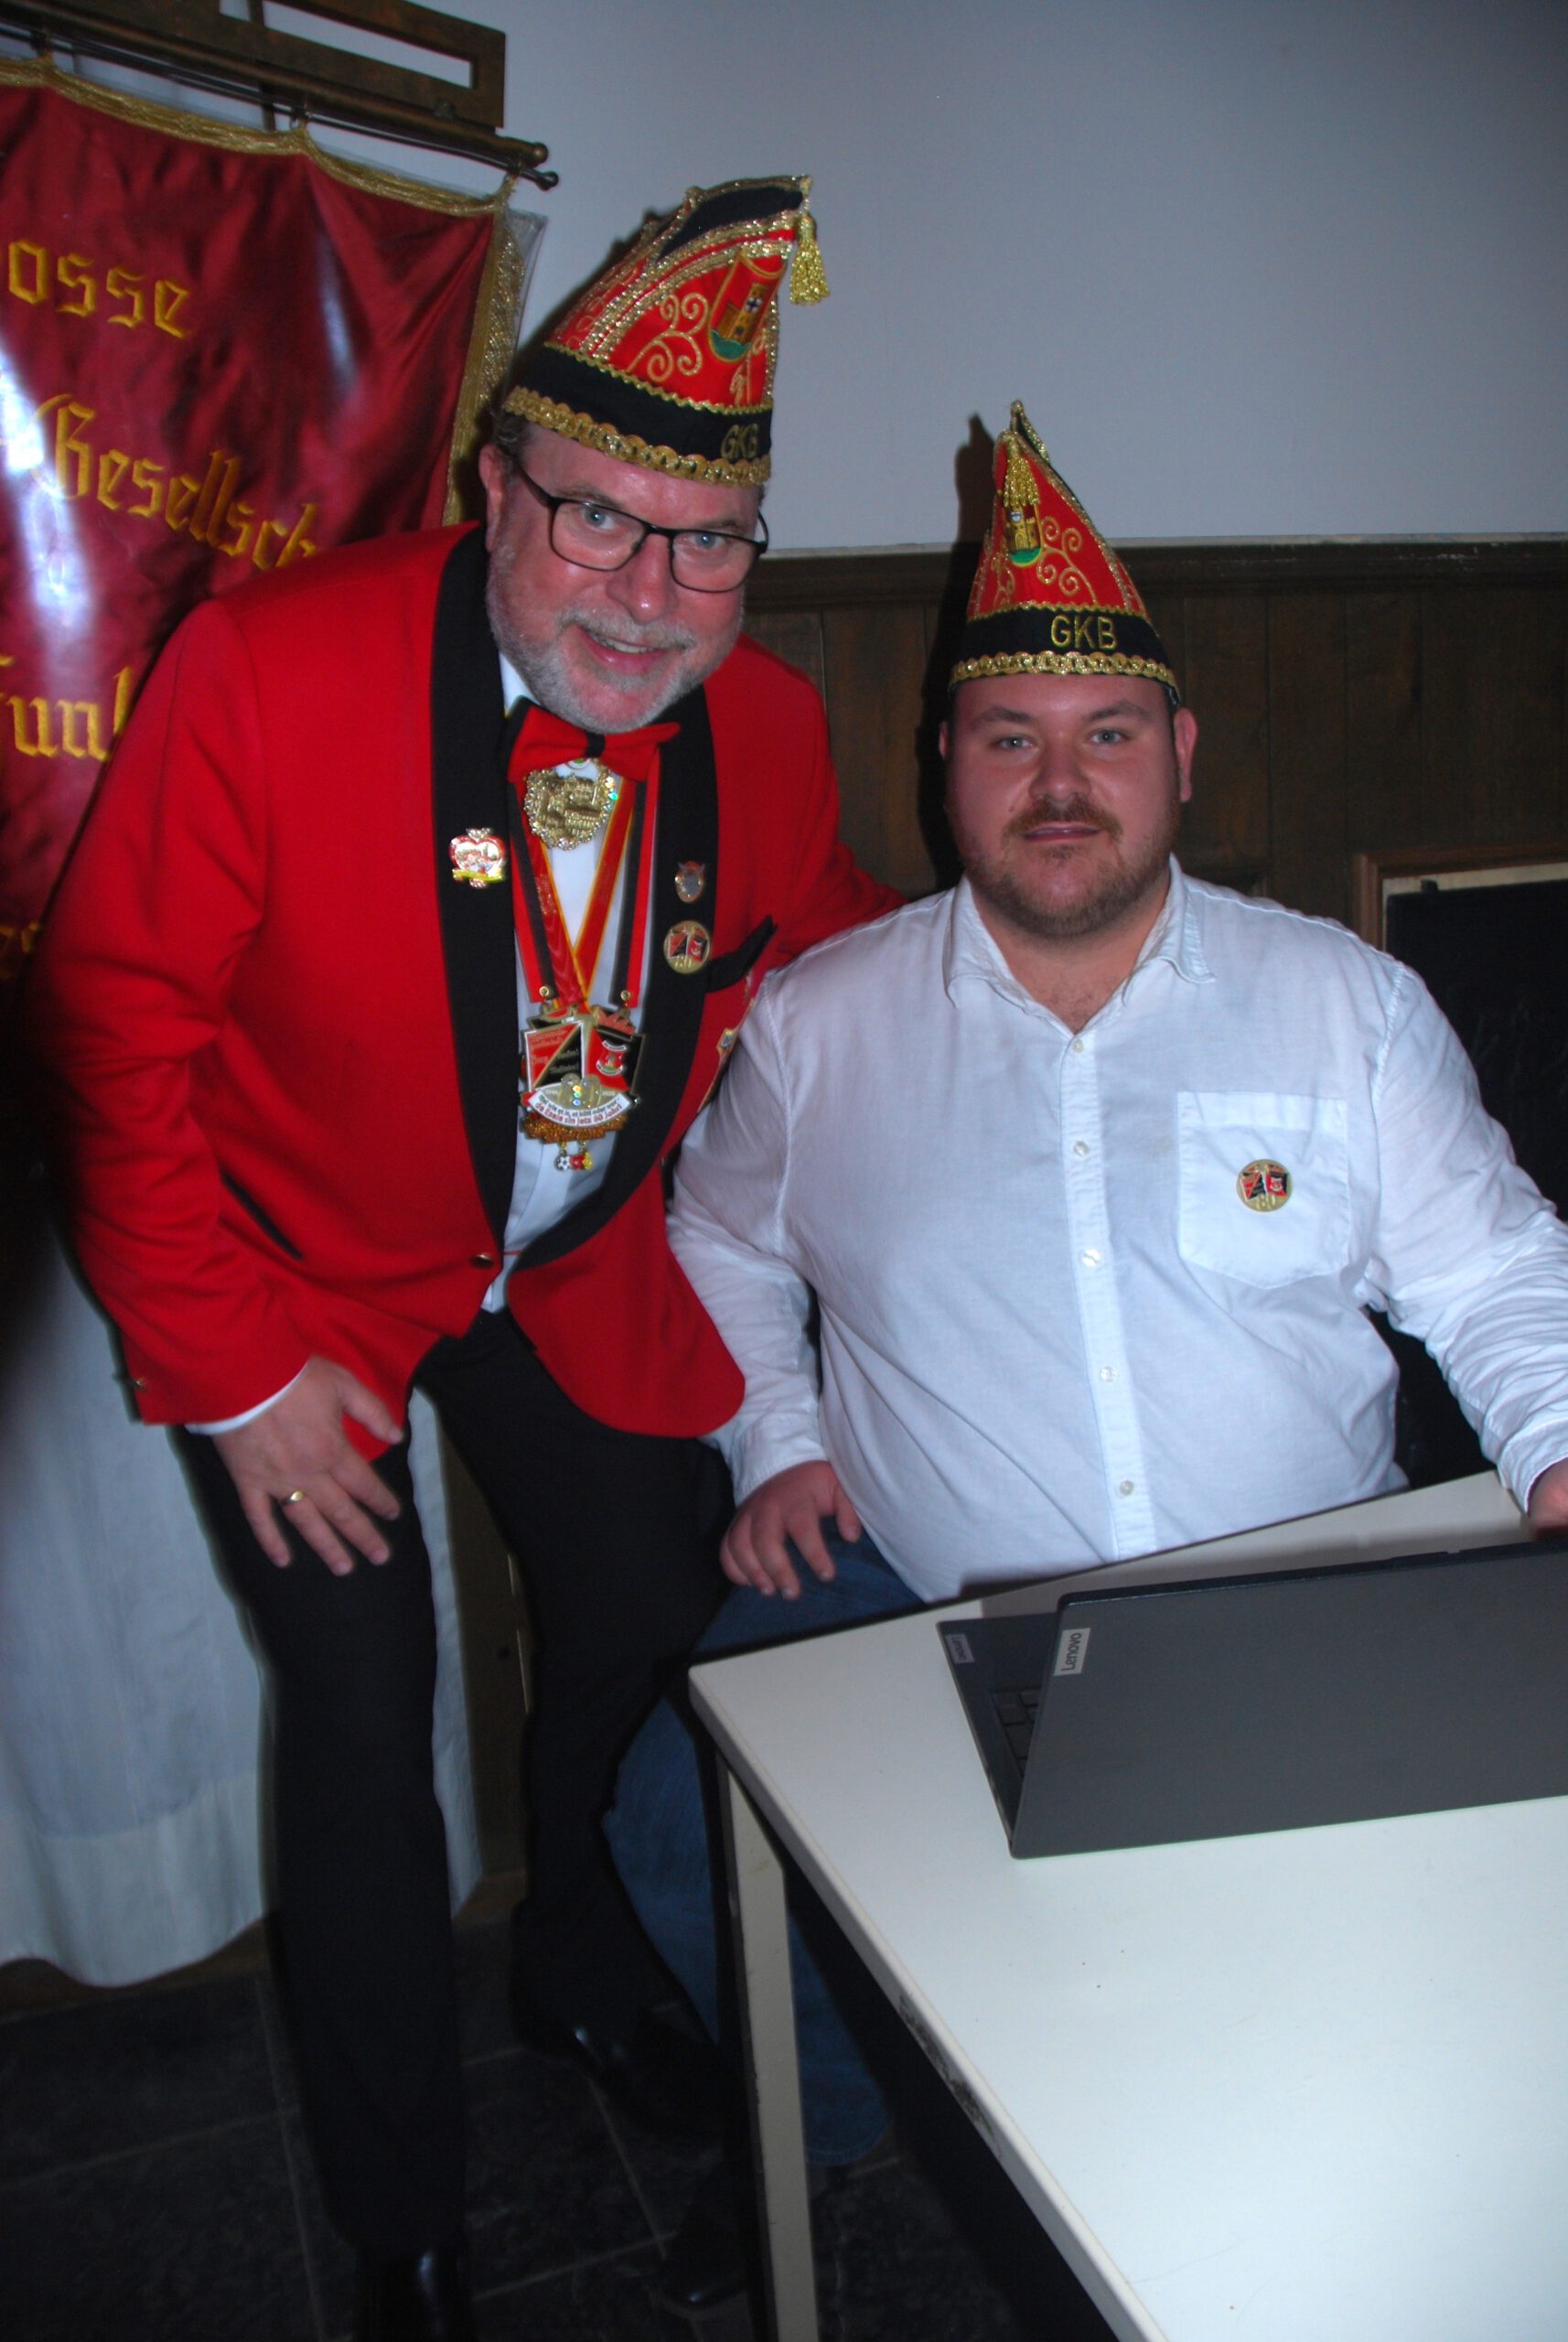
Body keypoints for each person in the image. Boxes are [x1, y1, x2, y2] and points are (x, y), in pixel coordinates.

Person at [28, 177, 897, 2341]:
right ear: (495, 483)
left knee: (648, 1608)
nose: (649, 589)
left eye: (707, 540)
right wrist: (235, 1374)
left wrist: (1064, 1003)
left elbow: (839, 972)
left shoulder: (767, 728)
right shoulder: (265, 665)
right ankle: (401, 2217)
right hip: (291, 1270)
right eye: (597, 517)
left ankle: (579, 1978)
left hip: (571, 1262)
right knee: (362, 1698)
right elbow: (109, 1025)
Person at [607, 401, 1568, 2305]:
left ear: (1180, 755)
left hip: (1283, 1576)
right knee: (663, 1818)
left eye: (1107, 734)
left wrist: (1555, 1454)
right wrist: (779, 1438)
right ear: (943, 764)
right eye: (1008, 738)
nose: (1060, 783)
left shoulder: (1343, 1002)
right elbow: (714, 1232)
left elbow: (1493, 1274)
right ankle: (832, 2116)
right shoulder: (818, 1027)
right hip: (918, 1578)